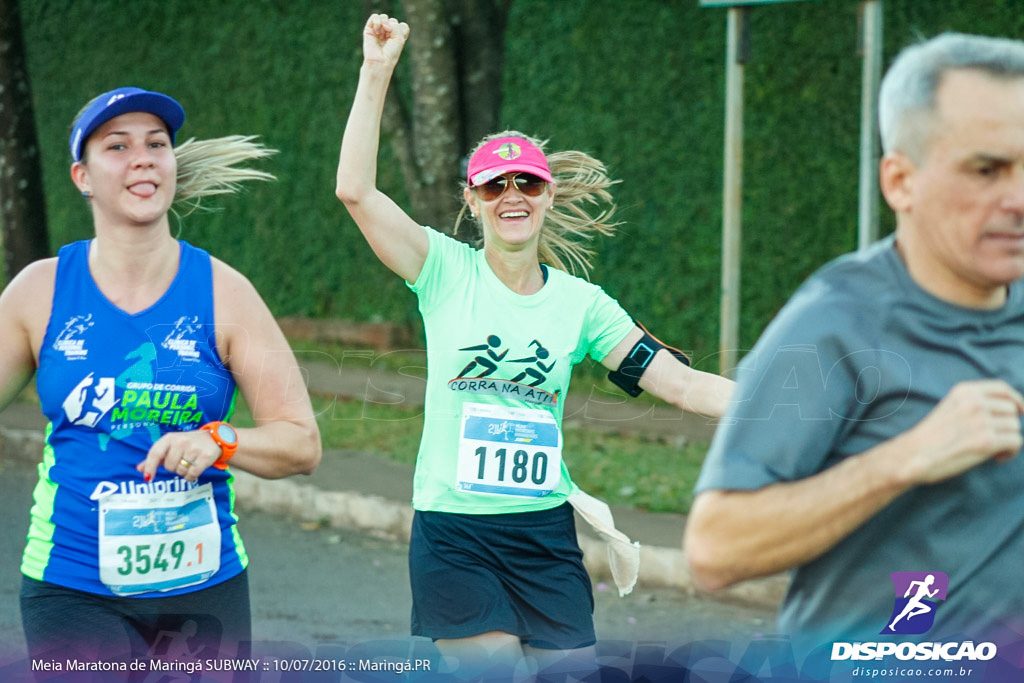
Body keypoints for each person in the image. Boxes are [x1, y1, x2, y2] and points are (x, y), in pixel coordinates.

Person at [335, 13, 733, 676]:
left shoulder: (582, 305)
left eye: (527, 183)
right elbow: (355, 190)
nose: (511, 195)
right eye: (495, 184)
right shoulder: (441, 269)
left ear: (548, 197)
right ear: (473, 200)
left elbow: (683, 384)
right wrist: (377, 73)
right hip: (455, 534)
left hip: (543, 533)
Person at [685, 32, 1024, 656]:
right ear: (900, 181)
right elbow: (715, 548)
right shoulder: (832, 325)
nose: (1019, 198)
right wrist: (907, 458)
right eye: (986, 169)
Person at [0, 86, 322, 668]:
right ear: (83, 176)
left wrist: (220, 439)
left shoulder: (225, 293)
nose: (143, 157)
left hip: (204, 588)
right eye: (117, 146)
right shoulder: (39, 292)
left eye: (157, 143)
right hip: (71, 584)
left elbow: (300, 443)